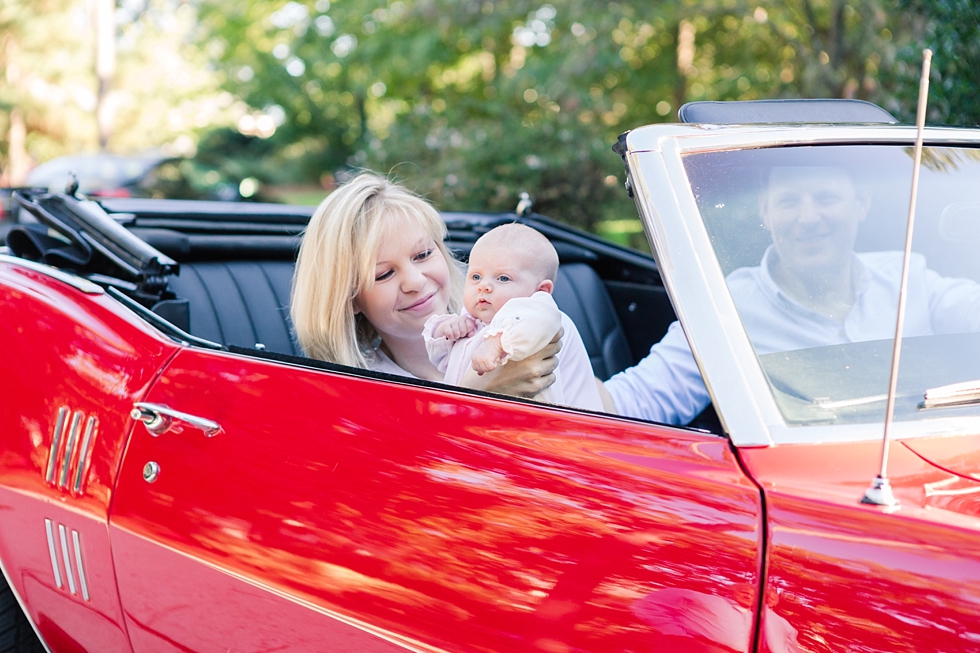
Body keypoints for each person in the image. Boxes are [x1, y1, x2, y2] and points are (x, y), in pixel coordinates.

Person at [604, 164, 980, 424]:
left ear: (860, 204)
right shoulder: (726, 307)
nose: (808, 217)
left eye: (826, 198)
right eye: (788, 201)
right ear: (765, 211)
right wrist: (554, 369)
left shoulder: (909, 276)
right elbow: (635, 402)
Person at [290, 172, 559, 397]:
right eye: (383, 274)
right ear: (350, 299)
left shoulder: (526, 319)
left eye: (423, 255)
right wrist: (474, 393)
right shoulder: (361, 394)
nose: (415, 282)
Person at [423, 223, 604, 411]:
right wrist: (445, 331)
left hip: (546, 431)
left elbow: (537, 324)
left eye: (502, 278)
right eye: (476, 277)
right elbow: (441, 362)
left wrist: (496, 343)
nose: (483, 286)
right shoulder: (471, 323)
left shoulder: (542, 314)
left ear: (540, 291)